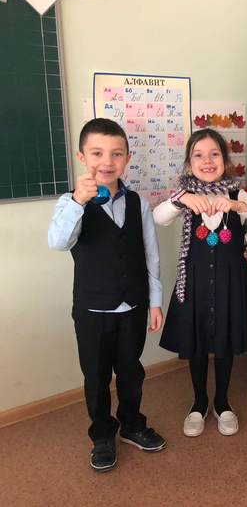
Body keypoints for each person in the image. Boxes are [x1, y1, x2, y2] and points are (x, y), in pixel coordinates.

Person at [48, 118, 166, 472]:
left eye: (116, 153)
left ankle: (131, 424)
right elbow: (58, 242)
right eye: (97, 153)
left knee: (131, 372)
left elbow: (150, 254)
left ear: (127, 158)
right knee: (96, 376)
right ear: (82, 157)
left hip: (133, 305)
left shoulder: (137, 202)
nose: (107, 161)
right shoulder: (70, 202)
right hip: (92, 309)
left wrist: (155, 301)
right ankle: (101, 435)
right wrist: (77, 201)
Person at [153, 128, 247, 438]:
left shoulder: (236, 194)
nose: (207, 161)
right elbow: (158, 217)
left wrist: (240, 207)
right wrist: (181, 199)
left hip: (230, 281)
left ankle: (222, 402)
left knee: (224, 343)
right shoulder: (184, 196)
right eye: (199, 155)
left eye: (214, 154)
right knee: (196, 343)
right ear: (189, 162)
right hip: (194, 282)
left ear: (224, 160)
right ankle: (198, 403)